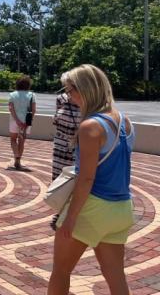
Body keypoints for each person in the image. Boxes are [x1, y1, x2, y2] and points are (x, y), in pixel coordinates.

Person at [48, 64, 135, 295]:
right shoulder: (125, 121)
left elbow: (87, 178)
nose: (69, 96)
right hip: (121, 208)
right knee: (116, 276)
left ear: (84, 89)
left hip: (93, 207)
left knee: (61, 271)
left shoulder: (90, 127)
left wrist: (70, 218)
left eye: (70, 90)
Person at [50, 72, 81, 230]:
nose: (66, 90)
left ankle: (70, 213)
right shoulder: (60, 99)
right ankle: (60, 211)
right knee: (59, 179)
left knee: (75, 180)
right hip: (61, 144)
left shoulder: (86, 102)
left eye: (69, 87)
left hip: (78, 146)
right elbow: (57, 117)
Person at [8, 75, 35, 170]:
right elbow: (33, 110)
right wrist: (27, 121)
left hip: (14, 121)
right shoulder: (32, 95)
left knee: (13, 140)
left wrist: (17, 120)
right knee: (22, 141)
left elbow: (11, 108)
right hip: (26, 122)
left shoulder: (12, 95)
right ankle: (18, 161)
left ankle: (16, 156)